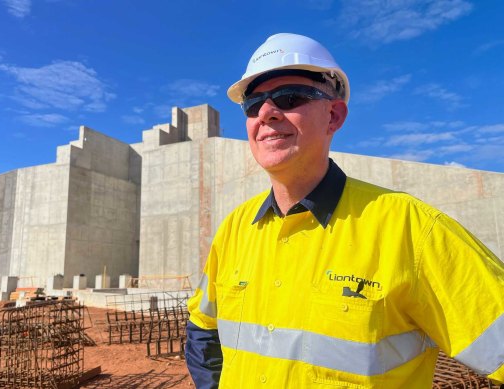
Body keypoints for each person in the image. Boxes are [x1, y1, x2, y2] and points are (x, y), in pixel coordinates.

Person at [185, 33, 504, 388]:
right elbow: (203, 329)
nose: (266, 112)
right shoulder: (236, 228)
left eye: (289, 97)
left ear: (334, 116)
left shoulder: (410, 230)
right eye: (253, 103)